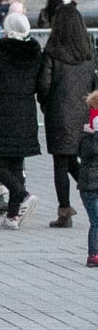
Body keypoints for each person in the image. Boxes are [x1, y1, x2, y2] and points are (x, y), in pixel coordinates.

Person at [0, 13, 42, 230]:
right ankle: (12, 217)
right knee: (16, 164)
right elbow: (40, 86)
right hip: (26, 111)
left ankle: (23, 195)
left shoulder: (0, 52)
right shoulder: (34, 54)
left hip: (4, 112)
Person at [37, 4, 96, 228]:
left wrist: (46, 105)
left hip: (59, 114)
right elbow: (93, 86)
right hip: (83, 114)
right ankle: (87, 195)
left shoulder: (52, 53)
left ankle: (64, 211)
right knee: (72, 160)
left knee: (61, 163)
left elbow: (44, 85)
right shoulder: (87, 55)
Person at [78, 92, 98, 266]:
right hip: (90, 187)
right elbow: (89, 153)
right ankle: (93, 255)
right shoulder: (88, 137)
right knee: (97, 221)